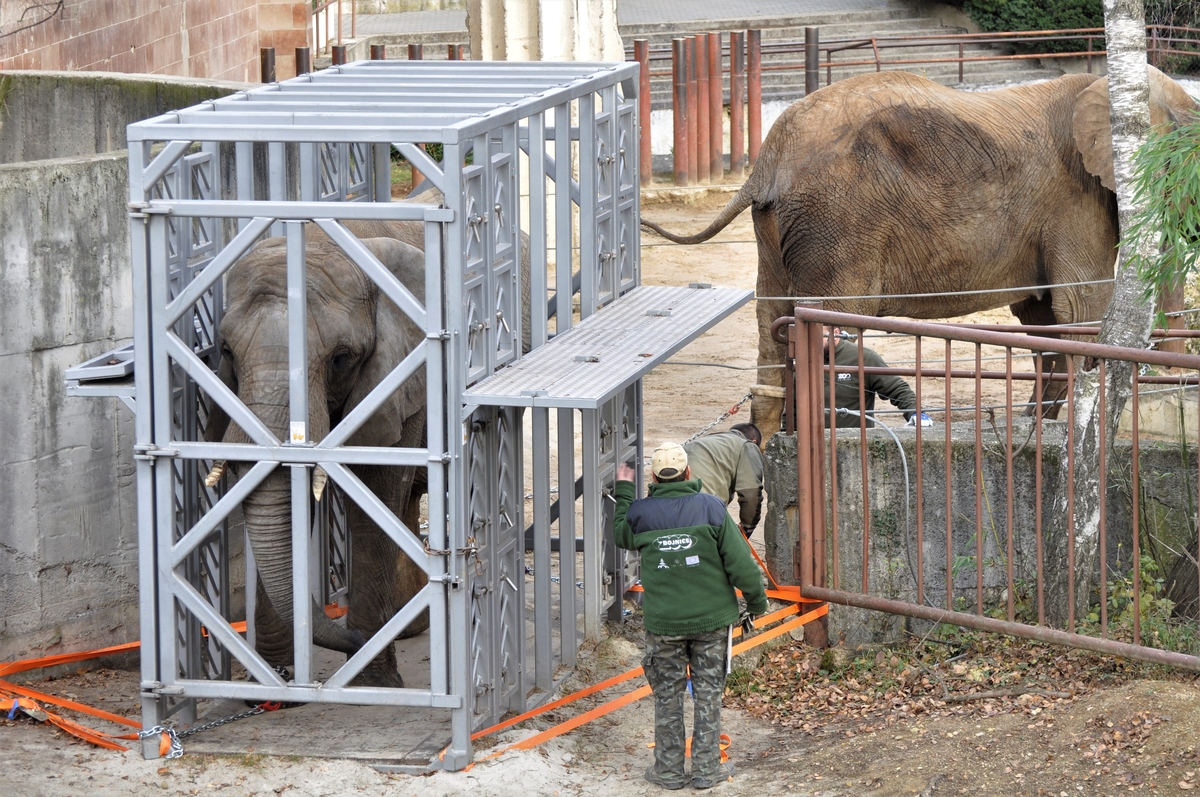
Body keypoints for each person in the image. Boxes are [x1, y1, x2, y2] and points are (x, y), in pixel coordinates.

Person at [615, 443, 769, 791]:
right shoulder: (712, 509)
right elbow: (741, 565)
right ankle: (706, 770)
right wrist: (757, 603)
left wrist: (624, 489)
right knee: (709, 694)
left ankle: (668, 771)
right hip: (712, 622)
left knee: (667, 696)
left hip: (663, 625)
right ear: (688, 473)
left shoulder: (641, 514)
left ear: (654, 477)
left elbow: (620, 534)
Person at [824, 325, 931, 429]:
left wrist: (915, 412)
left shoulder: (863, 357)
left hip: (854, 440)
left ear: (835, 334)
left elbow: (896, 388)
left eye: (817, 335)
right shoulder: (807, 357)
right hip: (810, 441)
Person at [683, 423, 764, 538]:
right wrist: (747, 528)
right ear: (754, 442)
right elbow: (751, 494)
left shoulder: (704, 441)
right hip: (702, 512)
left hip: (666, 509)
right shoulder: (747, 445)